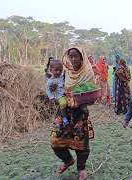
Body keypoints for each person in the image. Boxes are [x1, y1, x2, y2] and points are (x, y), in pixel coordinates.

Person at [50, 45, 95, 180]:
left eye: (76, 56)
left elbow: (93, 95)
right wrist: (53, 89)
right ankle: (68, 160)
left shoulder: (88, 73)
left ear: (82, 57)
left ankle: (81, 168)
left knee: (81, 142)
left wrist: (85, 100)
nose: (73, 59)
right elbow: (59, 88)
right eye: (71, 56)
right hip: (64, 111)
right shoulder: (66, 73)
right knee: (55, 140)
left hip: (80, 112)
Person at [45, 60, 68, 126]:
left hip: (66, 94)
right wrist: (52, 98)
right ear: (51, 70)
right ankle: (65, 118)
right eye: (56, 70)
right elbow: (48, 90)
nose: (58, 72)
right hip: (59, 96)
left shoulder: (62, 76)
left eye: (60, 70)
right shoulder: (50, 81)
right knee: (63, 104)